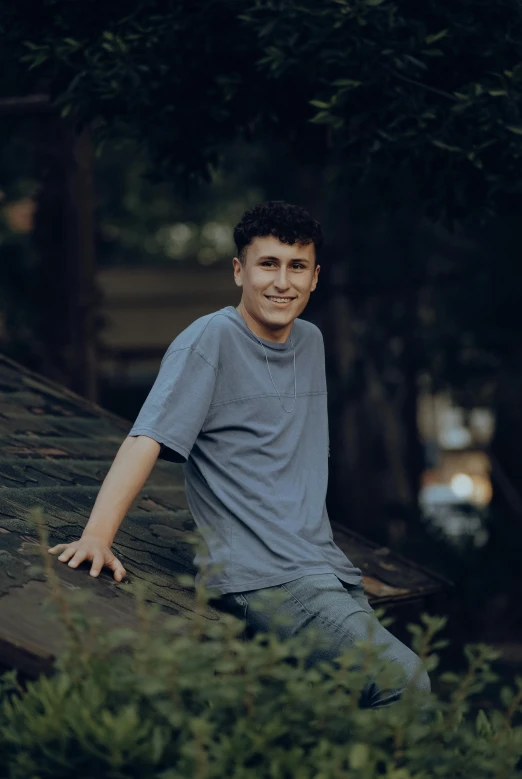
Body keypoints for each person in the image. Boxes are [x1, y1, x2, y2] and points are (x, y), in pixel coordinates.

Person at [48, 200, 430, 708]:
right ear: (239, 270)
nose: (282, 282)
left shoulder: (310, 341)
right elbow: (148, 437)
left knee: (338, 718)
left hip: (324, 565)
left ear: (315, 278)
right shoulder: (211, 340)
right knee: (403, 681)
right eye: (267, 264)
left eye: (297, 267)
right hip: (267, 574)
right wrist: (97, 535)